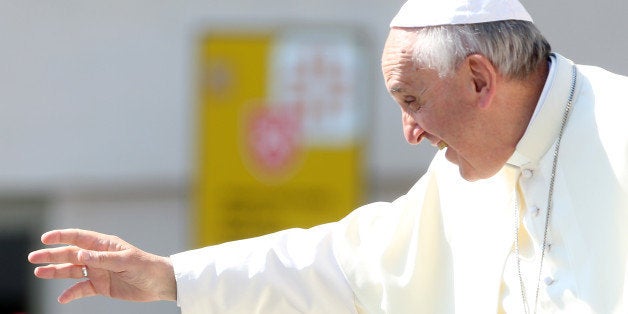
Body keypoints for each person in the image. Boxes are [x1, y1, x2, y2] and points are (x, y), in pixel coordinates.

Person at [28, 0, 628, 312]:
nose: (410, 132)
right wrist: (170, 277)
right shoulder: (460, 182)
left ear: (478, 79)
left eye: (412, 100)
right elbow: (335, 266)